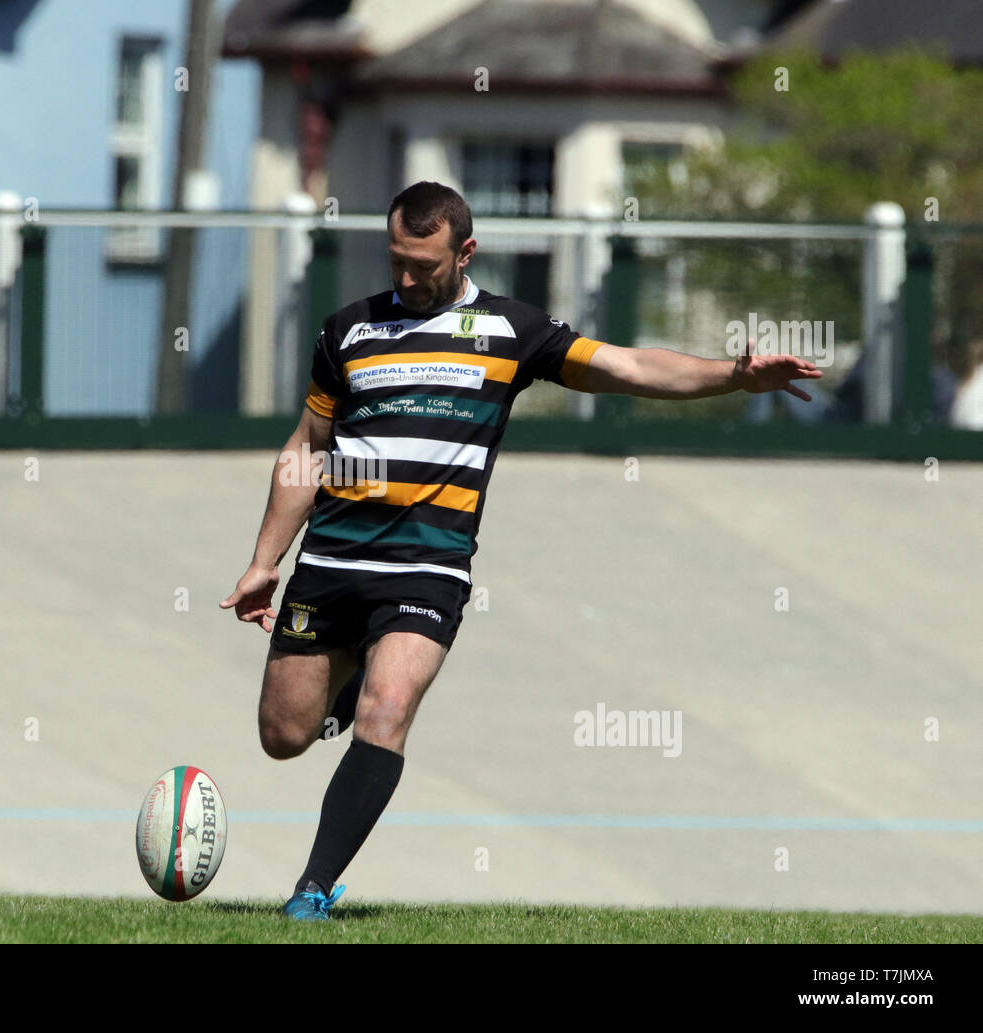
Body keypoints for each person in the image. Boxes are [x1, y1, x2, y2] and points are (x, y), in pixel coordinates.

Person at [219, 181, 821, 920]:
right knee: (283, 735)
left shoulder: (512, 331)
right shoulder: (346, 331)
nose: (406, 280)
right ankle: (342, 689)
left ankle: (310, 890)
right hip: (334, 559)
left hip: (427, 566)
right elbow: (308, 448)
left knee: (388, 708)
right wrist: (264, 558)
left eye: (424, 265)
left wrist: (732, 375)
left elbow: (627, 367)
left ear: (466, 252)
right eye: (396, 261)